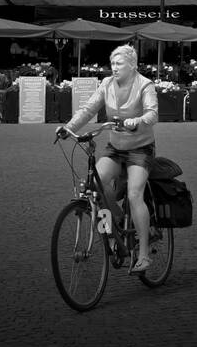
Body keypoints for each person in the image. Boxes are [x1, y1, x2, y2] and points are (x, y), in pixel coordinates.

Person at [57, 45, 158, 274]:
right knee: (95, 184)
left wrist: (137, 121)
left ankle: (143, 255)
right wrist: (69, 128)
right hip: (115, 147)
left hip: (140, 149)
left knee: (134, 194)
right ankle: (118, 223)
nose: (114, 68)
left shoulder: (144, 84)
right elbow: (89, 108)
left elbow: (153, 113)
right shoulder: (107, 84)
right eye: (112, 64)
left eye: (119, 64)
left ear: (132, 65)